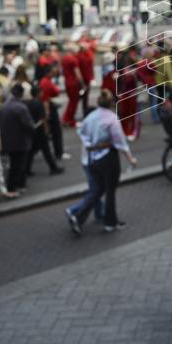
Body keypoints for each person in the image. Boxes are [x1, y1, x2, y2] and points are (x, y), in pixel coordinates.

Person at [65, 89, 137, 236]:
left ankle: (78, 216)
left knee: (98, 189)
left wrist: (90, 145)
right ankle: (110, 223)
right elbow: (120, 142)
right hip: (108, 158)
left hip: (93, 158)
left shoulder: (91, 116)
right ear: (112, 103)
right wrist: (130, 158)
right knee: (110, 191)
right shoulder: (112, 119)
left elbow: (81, 132)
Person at [0, 84, 35, 195]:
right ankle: (14, 186)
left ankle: (18, 184)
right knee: (19, 165)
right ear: (21, 94)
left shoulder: (4, 106)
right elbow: (29, 125)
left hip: (7, 140)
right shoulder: (21, 108)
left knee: (14, 163)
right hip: (20, 140)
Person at [38, 66, 69, 161]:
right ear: (48, 72)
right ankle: (59, 153)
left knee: (54, 132)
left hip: (50, 106)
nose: (54, 74)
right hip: (49, 109)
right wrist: (47, 113)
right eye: (52, 72)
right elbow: (45, 99)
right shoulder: (46, 82)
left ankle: (58, 152)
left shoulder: (46, 81)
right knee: (56, 132)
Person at [61, 43, 84, 127]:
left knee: (71, 101)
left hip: (67, 82)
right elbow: (77, 73)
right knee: (74, 102)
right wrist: (82, 83)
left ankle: (66, 118)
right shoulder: (73, 59)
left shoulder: (64, 58)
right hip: (74, 83)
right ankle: (70, 120)